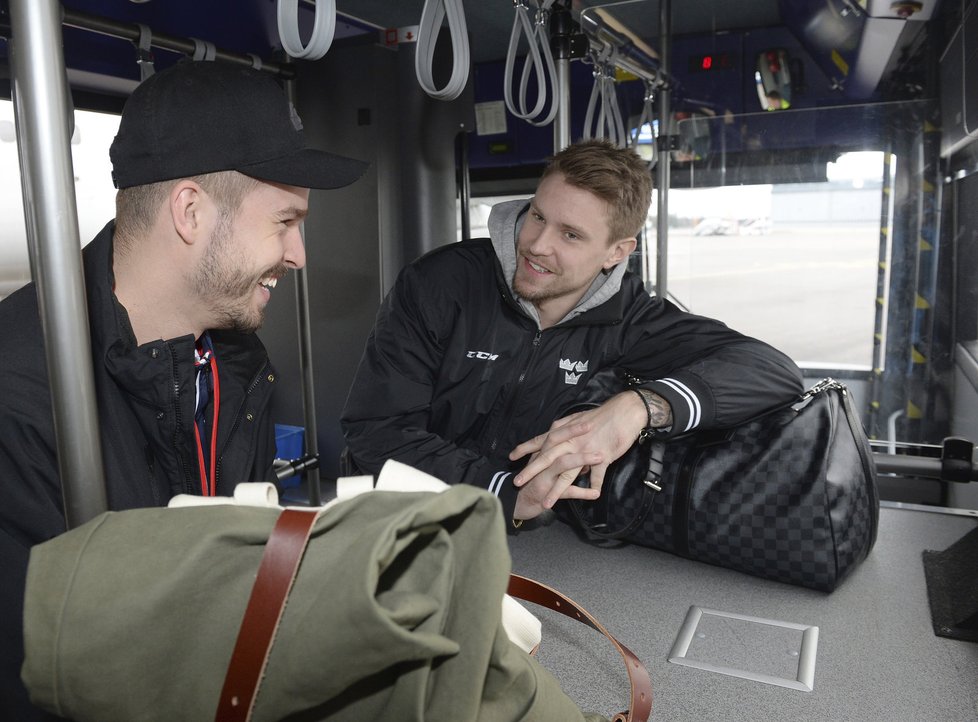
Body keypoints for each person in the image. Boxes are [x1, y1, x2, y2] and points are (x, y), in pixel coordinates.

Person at [0, 60, 366, 719]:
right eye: (285, 222)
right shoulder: (21, 403)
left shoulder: (234, 364)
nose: (299, 254)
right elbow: (44, 684)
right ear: (191, 211)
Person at [341, 138, 803, 525]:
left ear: (616, 252)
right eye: (538, 216)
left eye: (571, 235)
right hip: (399, 518)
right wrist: (500, 491)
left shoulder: (631, 320)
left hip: (535, 539)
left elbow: (773, 371)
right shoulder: (442, 283)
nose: (537, 245)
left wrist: (640, 407)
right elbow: (376, 430)